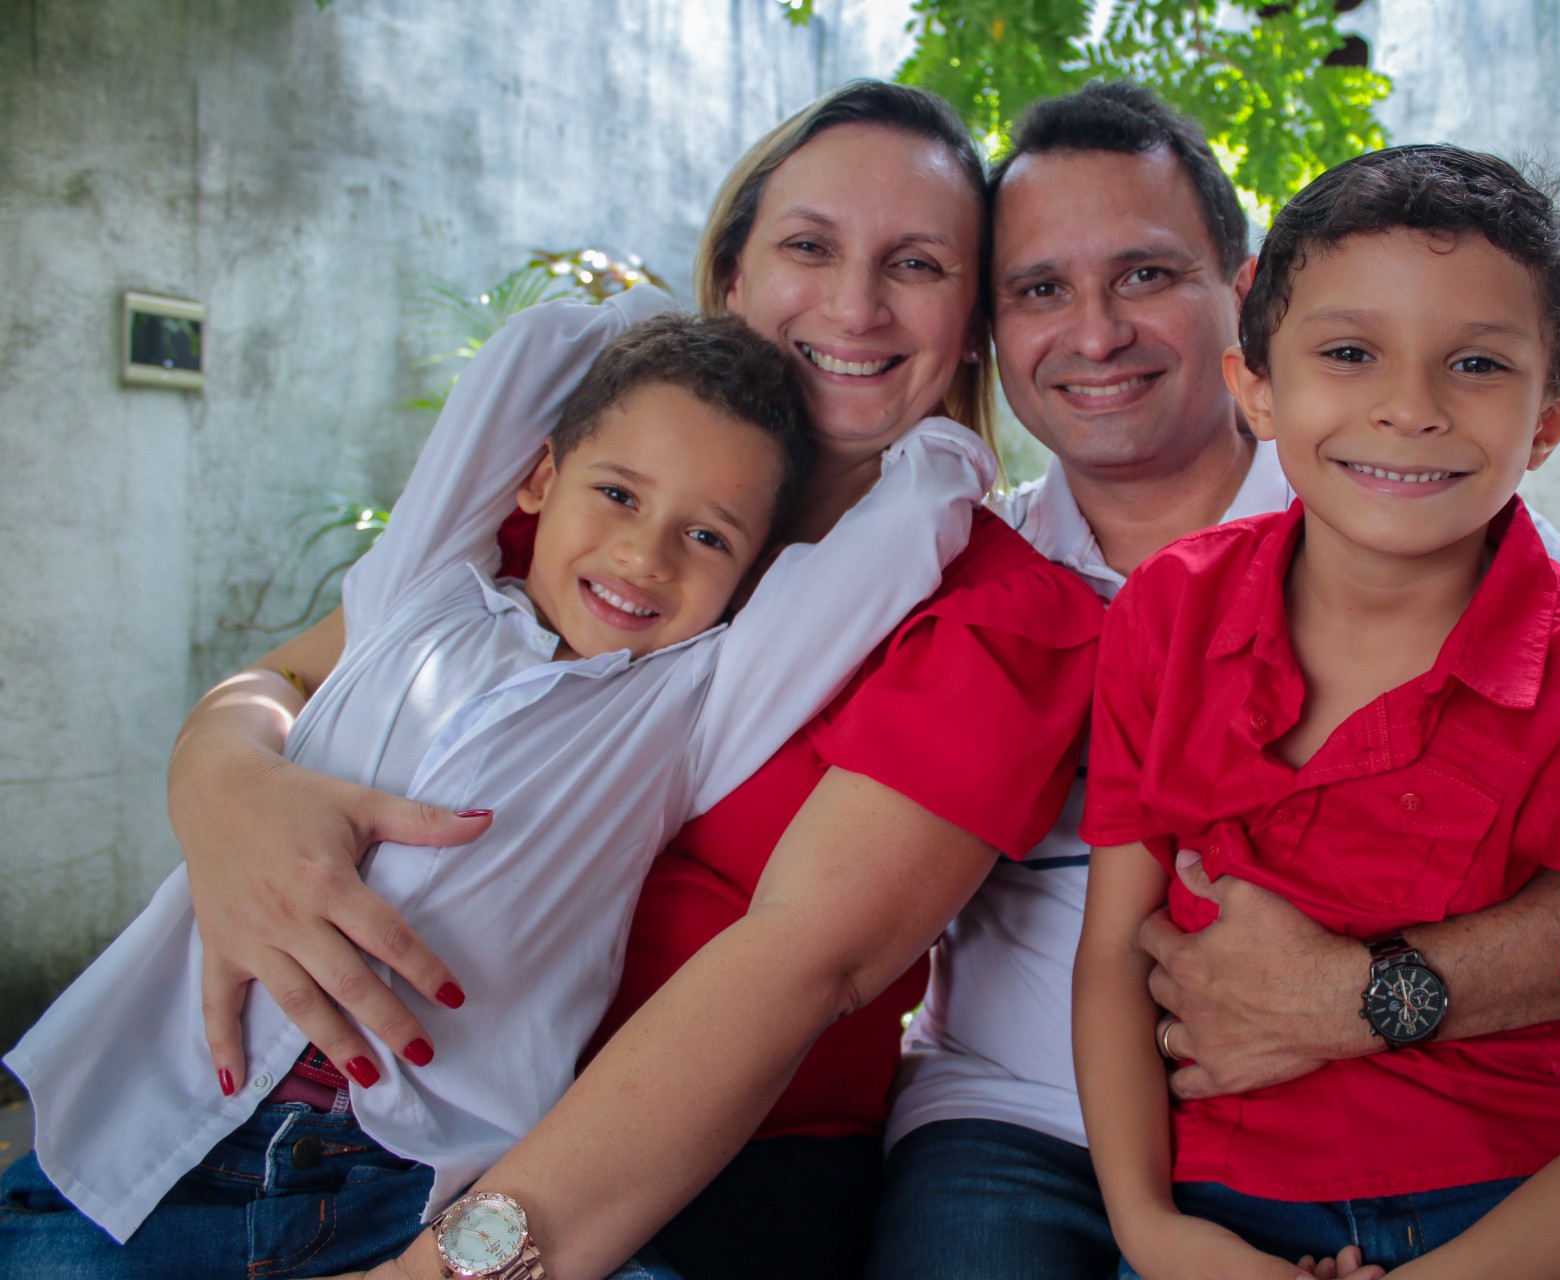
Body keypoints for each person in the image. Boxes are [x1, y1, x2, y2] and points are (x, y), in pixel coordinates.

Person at [868, 82, 1560, 1280]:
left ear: (1235, 303)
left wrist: (1371, 991)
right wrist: (1158, 1229)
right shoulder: (985, 566)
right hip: (1048, 1132)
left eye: (1145, 273)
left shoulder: (1475, 552)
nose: (1096, 329)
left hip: (1479, 1177)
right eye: (1039, 288)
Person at [149, 80, 1104, 1280]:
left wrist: (456, 1265)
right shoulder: (583, 503)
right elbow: (289, 675)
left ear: (969, 322)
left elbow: (805, 959)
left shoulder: (999, 614)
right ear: (733, 278)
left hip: (686, 1185)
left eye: (915, 263)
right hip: (333, 1129)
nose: (856, 305)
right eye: (809, 245)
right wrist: (228, 785)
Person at [0, 305, 995, 1273]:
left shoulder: (695, 705)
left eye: (708, 538)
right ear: (540, 478)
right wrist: (662, 318)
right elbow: (541, 344)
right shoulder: (421, 588)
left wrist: (944, 442)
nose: (643, 554)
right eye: (617, 493)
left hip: (392, 1192)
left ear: (747, 576)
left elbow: (899, 536)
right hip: (148, 1143)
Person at [1077, 142, 1560, 1280]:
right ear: (1254, 383)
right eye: (1350, 352)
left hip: (1522, 1226)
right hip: (1217, 1219)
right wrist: (1154, 1229)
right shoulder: (1171, 611)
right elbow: (1114, 948)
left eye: (1477, 364)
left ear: (1553, 421)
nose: (1409, 407)